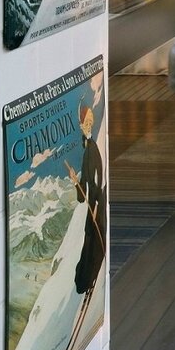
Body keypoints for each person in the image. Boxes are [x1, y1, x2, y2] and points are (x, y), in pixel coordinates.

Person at [67, 104, 105, 295]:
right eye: (86, 122)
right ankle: (85, 281)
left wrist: (97, 203)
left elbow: (99, 178)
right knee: (89, 240)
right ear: (82, 125)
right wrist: (75, 182)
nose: (89, 124)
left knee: (94, 241)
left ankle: (88, 280)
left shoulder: (94, 149)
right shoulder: (86, 152)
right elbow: (82, 196)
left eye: (91, 121)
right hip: (93, 202)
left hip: (98, 203)